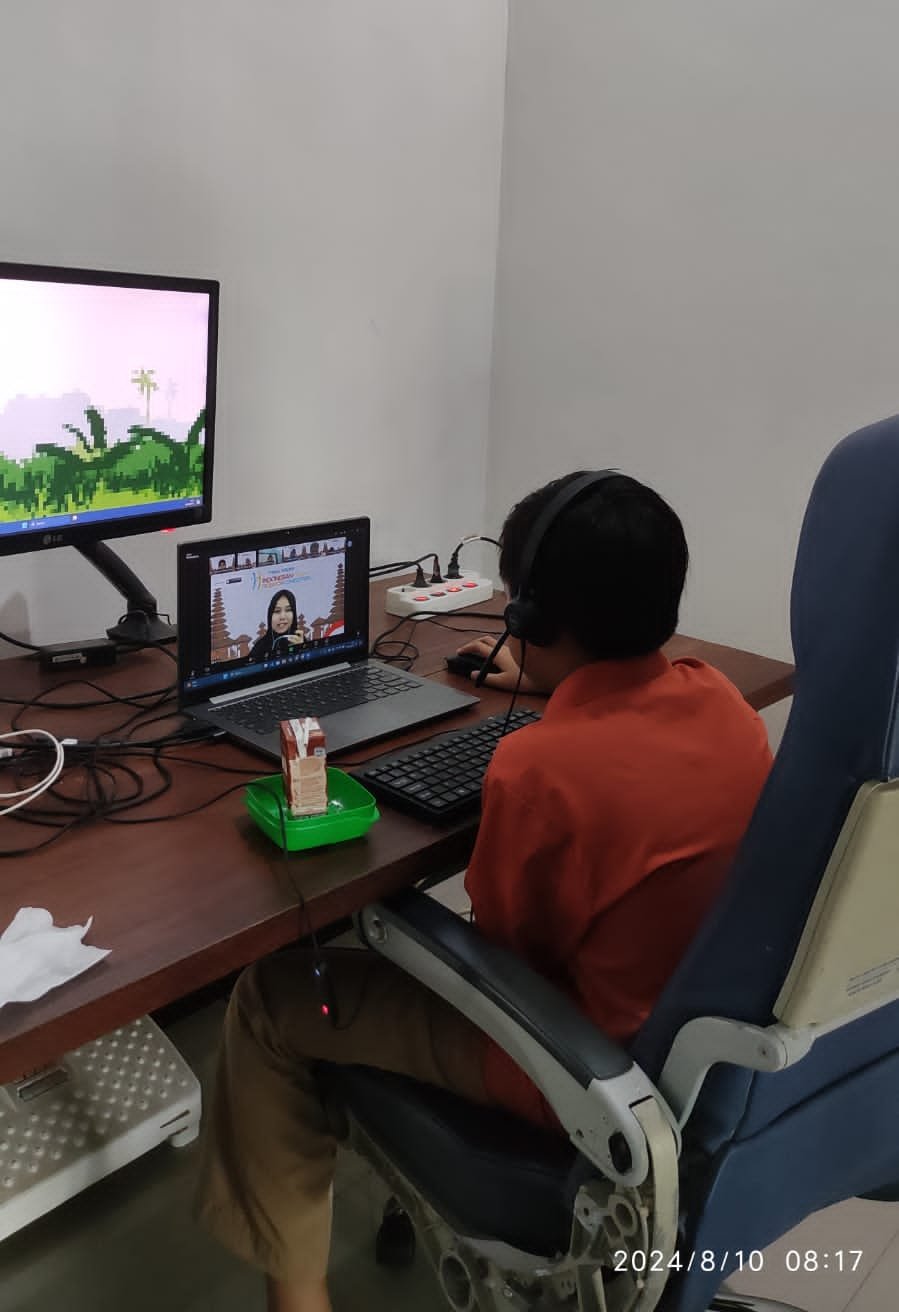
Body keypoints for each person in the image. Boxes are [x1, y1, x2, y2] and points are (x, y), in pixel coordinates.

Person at [194, 472, 772, 1312]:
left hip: (578, 1074)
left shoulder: (540, 768)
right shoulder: (720, 701)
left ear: (528, 617)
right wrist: (557, 685)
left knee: (270, 999)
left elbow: (505, 951)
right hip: (698, 1054)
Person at [246, 590, 305, 663]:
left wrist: (302, 649)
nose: (282, 617)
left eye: (288, 610)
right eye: (277, 611)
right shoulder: (260, 646)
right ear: (270, 615)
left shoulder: (300, 640)